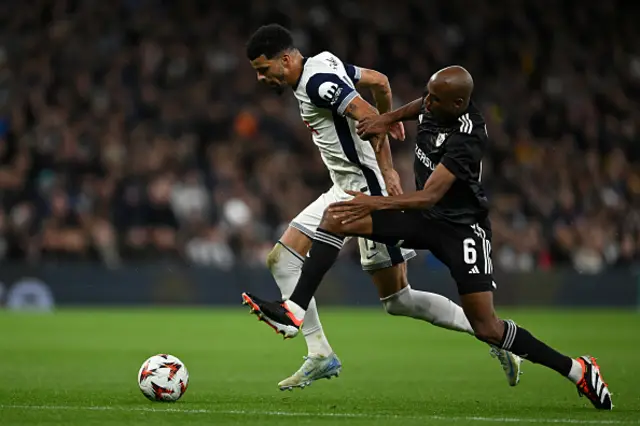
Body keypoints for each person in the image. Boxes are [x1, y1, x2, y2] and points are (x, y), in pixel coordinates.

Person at [241, 63, 613, 410]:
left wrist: (375, 202)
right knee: (336, 217)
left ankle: (578, 370)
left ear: (458, 104)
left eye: (435, 100)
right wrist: (387, 118)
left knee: (487, 326)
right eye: (428, 96)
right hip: (424, 220)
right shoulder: (437, 106)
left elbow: (429, 195)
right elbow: (418, 105)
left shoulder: (467, 137)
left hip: (461, 231)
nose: (427, 105)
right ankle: (294, 311)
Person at [242, 24, 522, 391]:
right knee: (281, 258)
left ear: (286, 58)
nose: (261, 78)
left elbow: (365, 115)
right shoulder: (324, 62)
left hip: (363, 190)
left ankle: (495, 338)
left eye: (264, 69)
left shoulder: (316, 85)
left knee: (398, 299)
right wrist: (391, 118)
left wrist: (387, 169)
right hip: (340, 188)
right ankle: (320, 354)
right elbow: (380, 81)